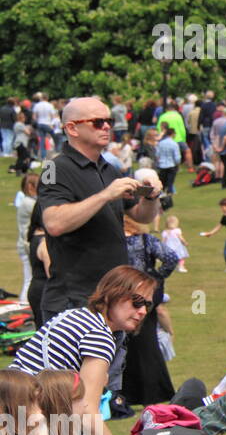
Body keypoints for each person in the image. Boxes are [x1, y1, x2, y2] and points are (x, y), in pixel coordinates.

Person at [10, 266, 165, 435]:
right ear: (112, 294)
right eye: (136, 302)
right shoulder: (99, 335)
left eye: (147, 306)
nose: (142, 311)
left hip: (14, 412)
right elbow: (86, 410)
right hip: (25, 423)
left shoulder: (78, 316)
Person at [38, 97, 162, 319]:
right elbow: (54, 223)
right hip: (74, 300)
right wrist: (105, 195)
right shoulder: (53, 168)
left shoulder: (108, 169)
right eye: (97, 122)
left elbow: (141, 216)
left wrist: (152, 197)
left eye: (109, 120)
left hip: (112, 298)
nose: (106, 126)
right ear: (72, 128)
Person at [122, 216, 178, 406]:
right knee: (147, 343)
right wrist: (155, 277)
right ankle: (153, 393)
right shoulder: (145, 240)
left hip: (121, 296)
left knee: (125, 347)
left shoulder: (112, 244)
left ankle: (128, 394)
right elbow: (171, 258)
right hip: (146, 294)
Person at [14, 172, 37, 302]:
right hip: (27, 245)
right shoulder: (28, 203)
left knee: (30, 278)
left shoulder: (27, 201)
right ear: (30, 187)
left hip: (25, 244)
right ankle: (24, 304)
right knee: (30, 279)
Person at [154, 124, 181, 194]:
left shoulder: (161, 143)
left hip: (162, 165)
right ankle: (169, 194)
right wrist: (177, 164)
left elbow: (157, 154)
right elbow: (177, 157)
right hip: (171, 165)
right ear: (172, 134)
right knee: (170, 182)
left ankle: (161, 193)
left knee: (162, 181)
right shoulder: (174, 144)